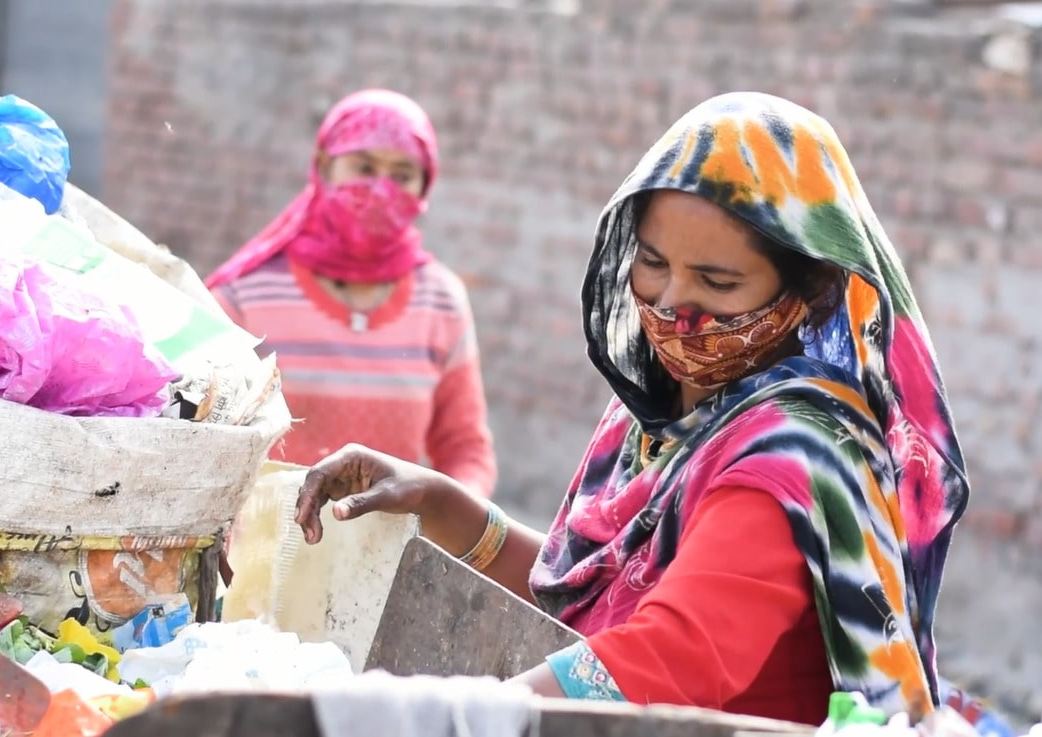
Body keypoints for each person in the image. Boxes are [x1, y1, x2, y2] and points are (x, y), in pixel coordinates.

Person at [294, 92, 971, 725]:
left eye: (716, 280)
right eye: (652, 262)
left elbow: (670, 652)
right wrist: (441, 503)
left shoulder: (792, 452)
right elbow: (592, 602)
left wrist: (454, 718)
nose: (673, 305)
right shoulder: (666, 414)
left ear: (811, 284)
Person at [207, 89, 497, 497]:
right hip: (267, 550)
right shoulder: (242, 301)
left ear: (424, 188)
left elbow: (465, 449)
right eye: (364, 167)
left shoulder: (441, 303)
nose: (381, 190)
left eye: (402, 176)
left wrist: (449, 521)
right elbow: (202, 444)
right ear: (324, 166)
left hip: (389, 553)